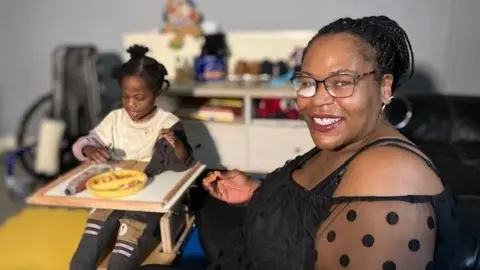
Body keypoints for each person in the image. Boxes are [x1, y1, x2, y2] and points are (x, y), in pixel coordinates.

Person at [143, 15, 462, 270]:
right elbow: (319, 206)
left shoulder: (391, 177)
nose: (317, 100)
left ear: (384, 87)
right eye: (308, 82)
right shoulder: (349, 141)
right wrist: (256, 190)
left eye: (341, 82)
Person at [69, 44, 195, 270]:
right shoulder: (116, 119)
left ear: (157, 95)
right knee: (89, 244)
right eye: (126, 96)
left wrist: (176, 144)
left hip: (146, 194)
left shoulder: (168, 123)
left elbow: (182, 163)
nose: (131, 104)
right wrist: (90, 150)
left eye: (139, 97)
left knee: (121, 258)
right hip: (113, 189)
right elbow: (84, 143)